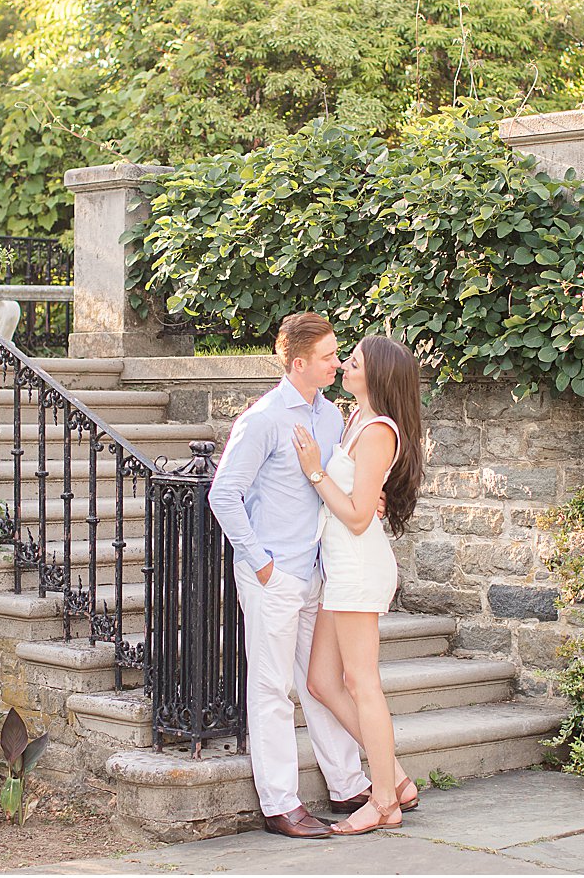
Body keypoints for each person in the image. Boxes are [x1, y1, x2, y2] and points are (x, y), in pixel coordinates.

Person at [208, 312, 372, 839]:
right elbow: (222, 494)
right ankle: (280, 803)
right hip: (272, 576)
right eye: (328, 356)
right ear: (298, 363)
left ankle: (348, 785)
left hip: (316, 574)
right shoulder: (263, 419)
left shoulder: (330, 417)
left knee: (321, 684)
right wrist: (261, 563)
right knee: (273, 688)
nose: (338, 363)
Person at [291, 334, 425, 836]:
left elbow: (354, 515)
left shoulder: (378, 432)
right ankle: (399, 781)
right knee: (321, 680)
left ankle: (385, 800)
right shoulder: (355, 421)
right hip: (340, 566)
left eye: (354, 361)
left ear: (378, 375)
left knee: (361, 682)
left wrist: (314, 473)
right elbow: (362, 501)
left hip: (358, 564)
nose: (345, 365)